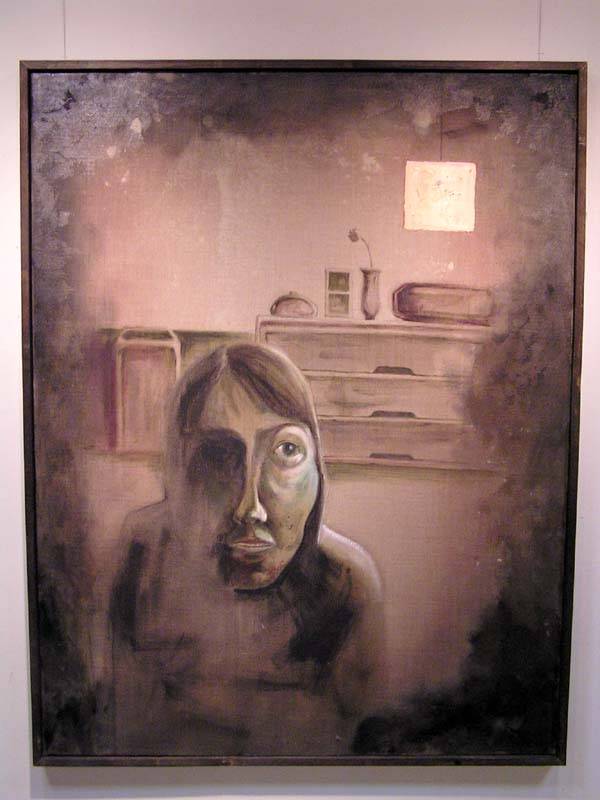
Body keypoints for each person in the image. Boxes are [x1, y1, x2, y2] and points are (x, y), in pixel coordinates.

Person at [109, 343, 383, 756]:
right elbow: (121, 743)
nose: (249, 508)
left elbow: (362, 758)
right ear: (175, 472)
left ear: (318, 470)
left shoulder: (346, 586)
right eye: (218, 457)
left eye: (286, 451)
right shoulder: (142, 562)